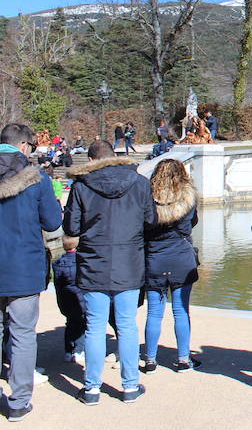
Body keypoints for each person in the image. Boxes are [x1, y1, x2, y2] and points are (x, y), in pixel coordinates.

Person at [63, 140, 156, 405]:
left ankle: (91, 389)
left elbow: (71, 226)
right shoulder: (138, 182)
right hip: (129, 262)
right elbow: (151, 220)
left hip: (94, 262)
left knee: (94, 327)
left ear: (92, 160)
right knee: (126, 326)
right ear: (114, 156)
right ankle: (129, 386)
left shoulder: (82, 186)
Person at [0, 123, 62, 421]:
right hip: (23, 267)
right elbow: (52, 223)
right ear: (24, 146)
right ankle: (18, 401)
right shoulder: (37, 179)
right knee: (23, 333)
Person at [142, 159, 200, 374]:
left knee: (154, 313)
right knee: (181, 311)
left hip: (154, 258)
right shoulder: (188, 197)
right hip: (181, 259)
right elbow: (193, 222)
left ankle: (150, 360)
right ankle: (184, 359)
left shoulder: (147, 199)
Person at [52, 236, 86, 365]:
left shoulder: (58, 263)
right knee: (82, 326)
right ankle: (78, 351)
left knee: (70, 325)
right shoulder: (80, 262)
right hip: (79, 301)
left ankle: (68, 351)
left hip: (65, 302)